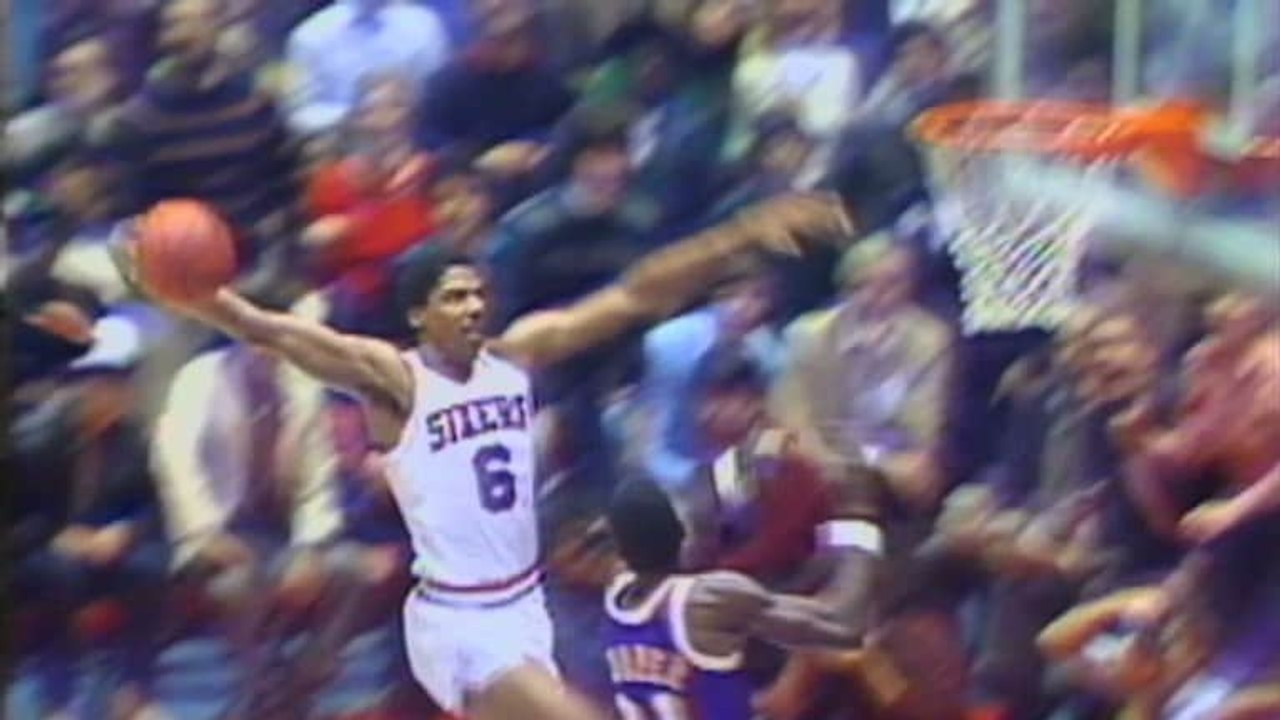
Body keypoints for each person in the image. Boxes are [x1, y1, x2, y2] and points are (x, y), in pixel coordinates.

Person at [118, 192, 851, 720]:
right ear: (416, 315)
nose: (472, 308)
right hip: (458, 619)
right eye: (452, 297)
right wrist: (198, 298)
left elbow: (635, 295)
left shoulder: (517, 356)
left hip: (526, 603)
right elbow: (276, 333)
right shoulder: (392, 378)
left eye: (477, 294)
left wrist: (742, 233)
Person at [603, 474, 880, 720]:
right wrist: (859, 526)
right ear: (680, 531)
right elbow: (843, 626)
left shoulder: (615, 604)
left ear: (620, 550)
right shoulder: (708, 599)